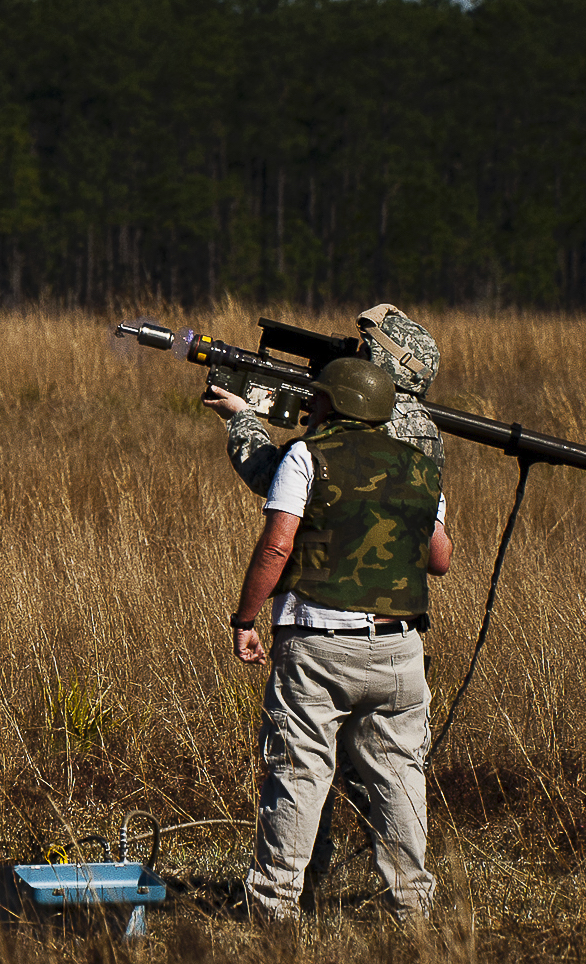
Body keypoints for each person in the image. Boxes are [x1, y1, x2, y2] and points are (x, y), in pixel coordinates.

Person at [203, 305, 448, 910]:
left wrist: (245, 620)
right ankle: (413, 909)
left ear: (331, 404)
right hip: (400, 649)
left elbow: (278, 541)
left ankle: (276, 908)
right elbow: (440, 558)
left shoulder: (307, 456)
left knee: (298, 772)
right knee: (398, 776)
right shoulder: (421, 459)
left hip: (319, 642)